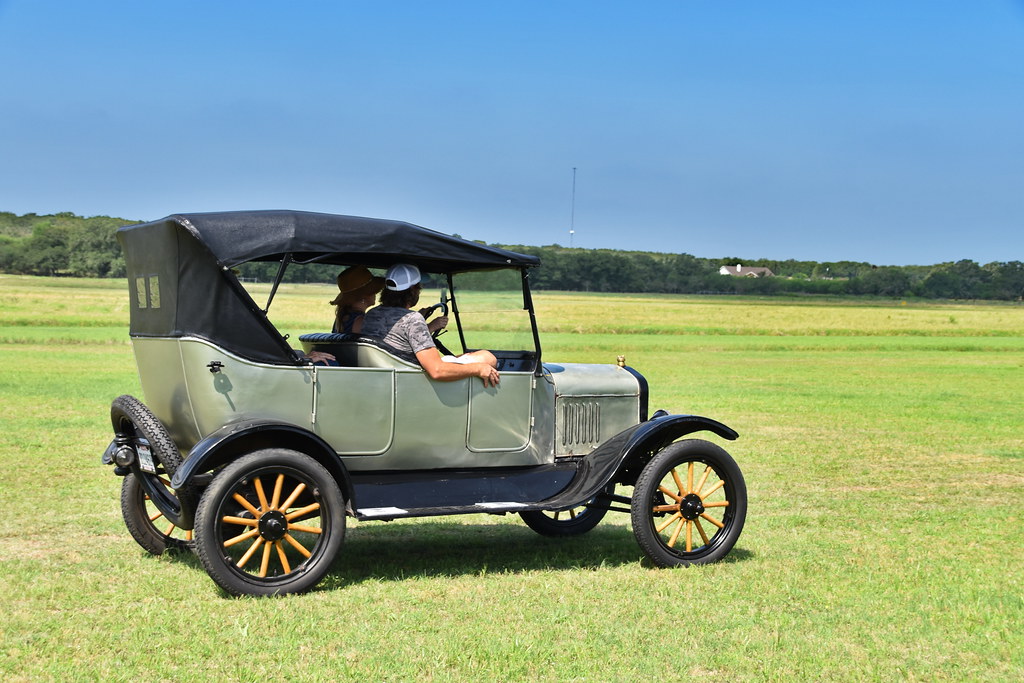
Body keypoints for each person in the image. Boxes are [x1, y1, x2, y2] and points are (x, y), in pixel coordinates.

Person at [361, 263, 500, 387]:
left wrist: (423, 320)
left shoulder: (371, 314)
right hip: (415, 378)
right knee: (486, 357)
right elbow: (437, 370)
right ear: (413, 290)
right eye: (418, 288)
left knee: (471, 356)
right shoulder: (413, 319)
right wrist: (479, 369)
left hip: (392, 373)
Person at [330, 265, 385, 334]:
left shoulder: (342, 319)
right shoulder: (360, 321)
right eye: (373, 291)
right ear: (363, 296)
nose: (375, 294)